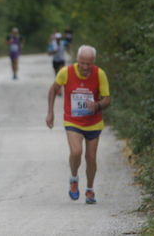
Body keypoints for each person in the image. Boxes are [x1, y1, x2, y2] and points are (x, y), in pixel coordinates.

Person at [46, 45, 110, 204]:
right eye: (82, 63)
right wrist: (50, 112)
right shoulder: (65, 72)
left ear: (93, 62)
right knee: (76, 152)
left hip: (93, 122)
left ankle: (90, 189)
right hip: (72, 120)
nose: (85, 67)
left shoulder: (99, 74)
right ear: (77, 60)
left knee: (91, 158)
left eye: (89, 63)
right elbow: (53, 90)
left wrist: (98, 105)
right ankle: (74, 178)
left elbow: (107, 99)